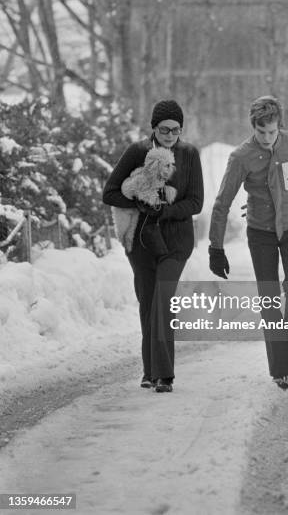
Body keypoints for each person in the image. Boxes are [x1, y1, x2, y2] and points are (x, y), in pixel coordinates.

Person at [208, 95, 288, 390]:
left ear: (280, 126)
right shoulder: (241, 157)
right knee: (269, 300)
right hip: (261, 233)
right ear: (253, 127)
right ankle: (280, 367)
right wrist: (216, 247)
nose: (267, 138)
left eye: (272, 131)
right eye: (261, 132)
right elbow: (222, 203)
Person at [103, 100, 204, 393]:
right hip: (143, 242)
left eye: (176, 129)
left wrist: (165, 210)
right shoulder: (137, 152)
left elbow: (196, 202)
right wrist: (140, 201)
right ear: (153, 128)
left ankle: (165, 375)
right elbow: (109, 193)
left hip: (176, 242)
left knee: (162, 301)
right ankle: (149, 372)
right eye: (164, 129)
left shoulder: (189, 155)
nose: (171, 135)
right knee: (148, 303)